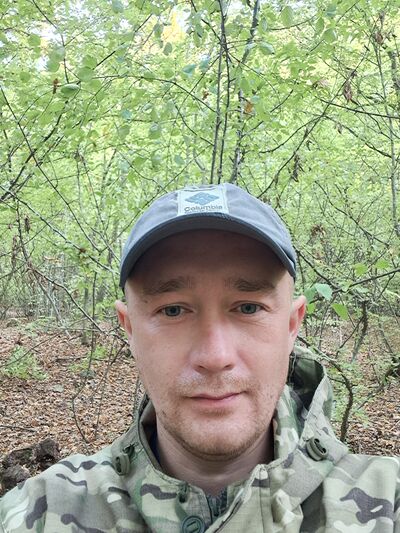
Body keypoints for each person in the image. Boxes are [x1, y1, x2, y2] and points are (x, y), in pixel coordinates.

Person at [0, 183, 399, 533]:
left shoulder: (387, 502)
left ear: (292, 325)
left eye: (248, 308)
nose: (214, 356)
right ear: (130, 329)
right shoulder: (39, 512)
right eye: (173, 310)